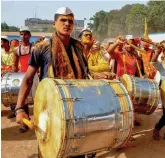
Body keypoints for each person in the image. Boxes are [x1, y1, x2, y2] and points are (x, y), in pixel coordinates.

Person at [14, 7, 114, 158]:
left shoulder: (79, 47)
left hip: (77, 110)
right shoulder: (41, 48)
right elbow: (28, 79)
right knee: (51, 152)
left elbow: (84, 74)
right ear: (54, 23)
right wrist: (20, 108)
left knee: (77, 150)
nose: (67, 23)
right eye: (63, 20)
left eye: (70, 21)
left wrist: (100, 75)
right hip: (50, 111)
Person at [1, 36, 16, 119]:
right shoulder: (2, 53)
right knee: (7, 93)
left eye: (2, 42)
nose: (0, 44)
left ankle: (17, 111)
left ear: (6, 42)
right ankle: (13, 111)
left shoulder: (14, 51)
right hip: (5, 75)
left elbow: (17, 64)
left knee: (13, 92)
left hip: (14, 75)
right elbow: (2, 64)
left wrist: (7, 69)